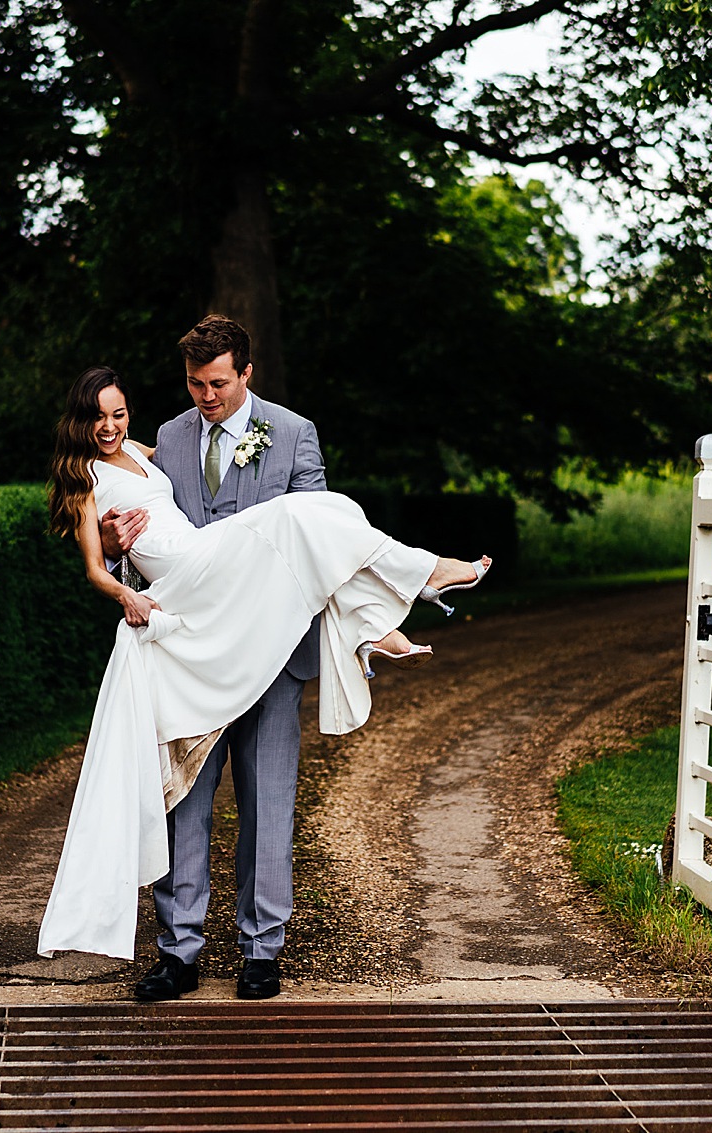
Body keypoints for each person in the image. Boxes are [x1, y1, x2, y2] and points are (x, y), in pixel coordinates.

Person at [36, 320, 487, 1001]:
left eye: (218, 383)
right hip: (192, 648)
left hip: (273, 650)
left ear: (247, 373)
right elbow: (130, 525)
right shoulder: (168, 438)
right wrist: (108, 538)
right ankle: (178, 951)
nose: (206, 395)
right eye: (195, 384)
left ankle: (260, 950)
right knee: (185, 801)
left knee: (268, 804)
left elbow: (323, 549)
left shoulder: (293, 431)